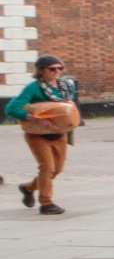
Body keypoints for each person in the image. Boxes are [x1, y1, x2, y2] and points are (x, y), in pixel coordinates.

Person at [7, 55, 79, 215]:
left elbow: (66, 108)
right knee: (47, 167)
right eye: (52, 69)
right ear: (41, 71)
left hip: (59, 133)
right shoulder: (33, 88)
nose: (57, 72)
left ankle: (27, 188)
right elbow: (11, 108)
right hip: (37, 134)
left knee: (57, 170)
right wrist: (32, 117)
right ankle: (46, 203)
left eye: (60, 68)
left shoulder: (67, 87)